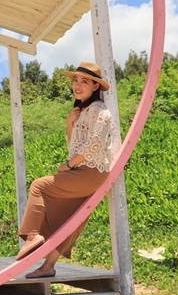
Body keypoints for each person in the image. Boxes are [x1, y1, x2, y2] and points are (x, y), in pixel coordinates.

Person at [16, 61, 114, 278]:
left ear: (95, 86)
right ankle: (48, 266)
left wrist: (69, 165)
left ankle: (32, 236)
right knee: (69, 218)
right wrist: (70, 121)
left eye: (84, 81)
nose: (77, 85)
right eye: (75, 80)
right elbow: (74, 144)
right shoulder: (83, 111)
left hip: (91, 171)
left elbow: (94, 145)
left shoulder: (99, 110)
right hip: (82, 171)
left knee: (39, 185)